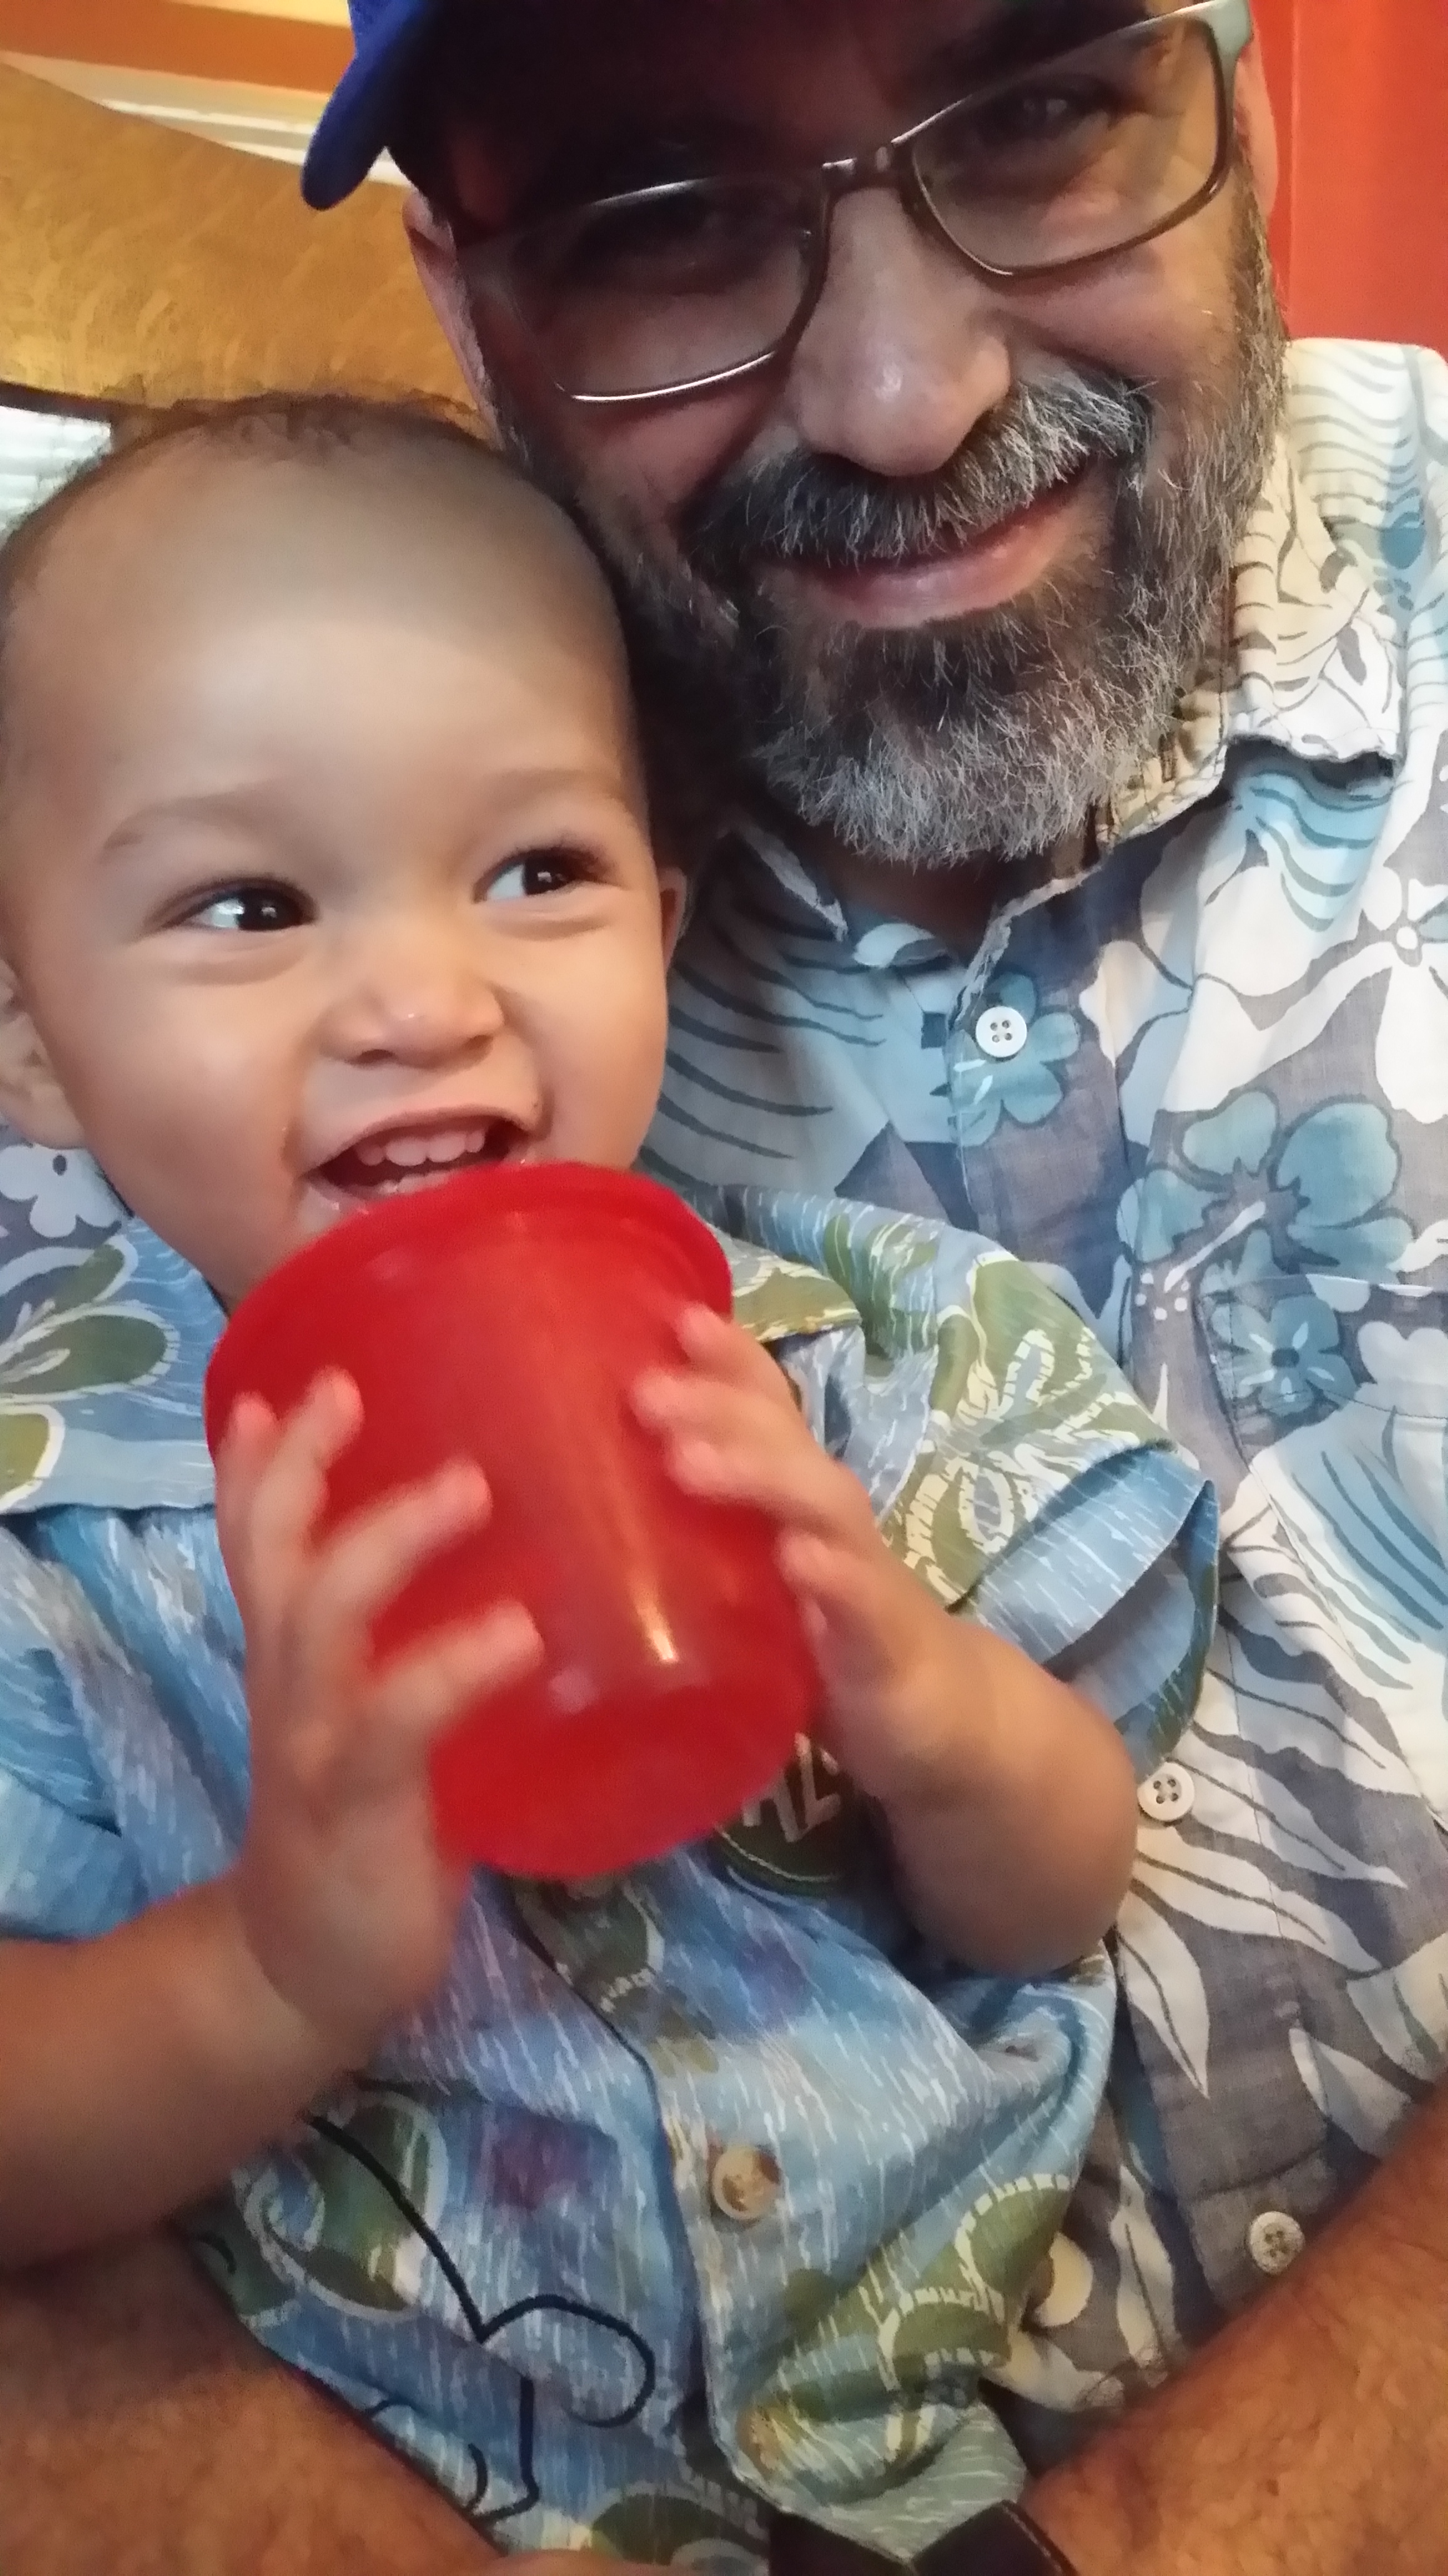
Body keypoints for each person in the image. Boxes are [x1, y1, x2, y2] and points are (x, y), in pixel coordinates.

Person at [1, 2, 1444, 2570]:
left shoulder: (868, 1362)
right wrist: (273, 1974)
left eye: (1040, 108)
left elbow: (1060, 1864)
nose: (901, 398)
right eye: (660, 220)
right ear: (464, 299)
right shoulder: (48, 1509)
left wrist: (918, 1698)